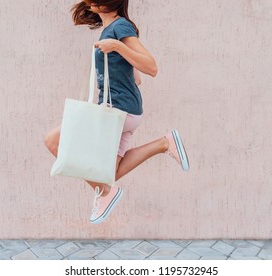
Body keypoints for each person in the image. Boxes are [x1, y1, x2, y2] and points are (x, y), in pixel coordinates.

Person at [44, 0, 189, 225]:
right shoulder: (111, 28)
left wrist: (118, 47)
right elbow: (136, 76)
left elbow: (151, 67)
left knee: (54, 141)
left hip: (119, 110)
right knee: (108, 173)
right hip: (126, 111)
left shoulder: (120, 28)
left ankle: (105, 193)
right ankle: (164, 143)